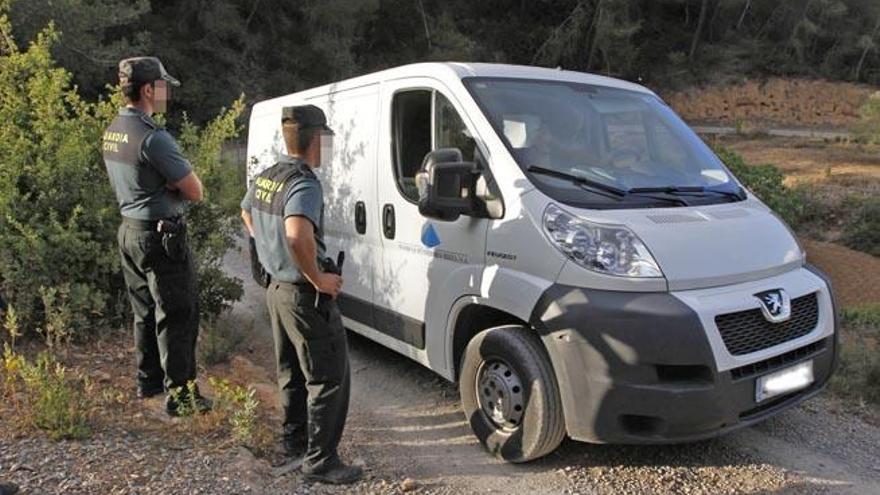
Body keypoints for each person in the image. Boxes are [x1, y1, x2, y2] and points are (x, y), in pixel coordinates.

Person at [240, 105, 361, 485]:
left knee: (291, 372)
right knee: (329, 378)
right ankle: (321, 461)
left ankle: (295, 443)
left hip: (276, 291)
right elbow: (296, 233)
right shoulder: (304, 183)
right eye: (327, 137)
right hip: (303, 295)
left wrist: (269, 248)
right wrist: (317, 278)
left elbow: (245, 212)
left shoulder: (269, 176)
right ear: (317, 139)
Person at [102, 57, 210, 416]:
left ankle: (148, 382)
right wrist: (171, 186)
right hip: (161, 237)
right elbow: (195, 191)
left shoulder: (115, 128)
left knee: (144, 312)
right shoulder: (154, 137)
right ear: (148, 90)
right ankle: (181, 397)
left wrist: (165, 184)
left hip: (129, 231)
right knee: (178, 314)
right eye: (162, 86)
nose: (167, 93)